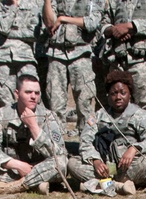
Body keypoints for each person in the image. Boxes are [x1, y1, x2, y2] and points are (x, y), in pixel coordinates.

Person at [67, 69, 146, 195]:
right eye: (114, 93)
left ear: (130, 94)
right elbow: (85, 141)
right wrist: (95, 161)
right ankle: (118, 185)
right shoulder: (99, 116)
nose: (118, 97)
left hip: (130, 166)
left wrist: (134, 148)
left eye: (123, 93)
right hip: (105, 166)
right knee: (73, 163)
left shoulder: (139, 115)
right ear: (108, 96)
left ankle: (100, 183)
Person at [0, 74, 68, 195]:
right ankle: (36, 184)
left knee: (62, 164)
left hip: (40, 167)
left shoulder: (47, 116)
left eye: (37, 93)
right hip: (12, 168)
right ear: (16, 94)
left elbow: (59, 152)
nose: (33, 97)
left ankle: (10, 187)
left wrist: (34, 126)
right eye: (28, 92)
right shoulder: (2, 114)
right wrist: (16, 165)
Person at [41, 0, 102, 131]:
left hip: (82, 53)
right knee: (55, 104)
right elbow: (50, 23)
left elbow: (92, 23)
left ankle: (86, 144)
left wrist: (63, 19)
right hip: (56, 54)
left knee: (84, 103)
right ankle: (57, 145)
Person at [99, 0, 146, 115]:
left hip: (144, 64)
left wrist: (131, 27)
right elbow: (103, 24)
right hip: (118, 63)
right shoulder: (113, 2)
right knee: (117, 108)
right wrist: (114, 30)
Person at [0, 0, 42, 110]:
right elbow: (3, 27)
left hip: (26, 58)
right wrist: (13, 6)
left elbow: (34, 34)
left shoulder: (33, 4)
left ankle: (30, 125)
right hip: (3, 59)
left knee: (31, 98)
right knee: (4, 100)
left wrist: (10, 34)